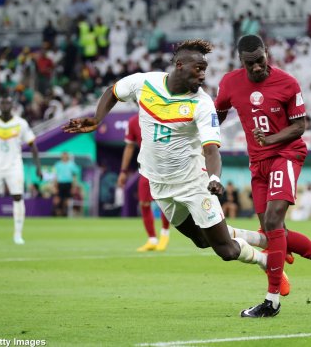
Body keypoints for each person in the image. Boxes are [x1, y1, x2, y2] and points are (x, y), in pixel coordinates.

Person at [62, 39, 274, 312]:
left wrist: (214, 178)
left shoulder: (202, 104)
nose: (202, 74)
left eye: (205, 69)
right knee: (200, 240)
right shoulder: (144, 83)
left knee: (227, 251)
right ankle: (264, 240)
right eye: (198, 68)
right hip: (160, 185)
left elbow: (211, 150)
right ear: (179, 65)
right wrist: (97, 118)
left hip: (194, 182)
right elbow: (113, 91)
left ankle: (269, 263)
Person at [215, 34, 311, 318]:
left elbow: (299, 126)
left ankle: (272, 302)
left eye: (261, 61)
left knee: (272, 220)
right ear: (241, 61)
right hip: (257, 163)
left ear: (267, 53)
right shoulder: (229, 84)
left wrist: (270, 140)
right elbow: (215, 116)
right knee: (273, 232)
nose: (257, 68)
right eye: (250, 63)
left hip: (286, 155)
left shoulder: (287, 83)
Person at [0, 96, 43, 245]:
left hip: (14, 165)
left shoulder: (21, 123)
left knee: (17, 197)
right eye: (3, 103)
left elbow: (33, 145)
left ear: (12, 105)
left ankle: (18, 235)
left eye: (8, 103)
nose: (5, 105)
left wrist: (38, 167)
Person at [118, 113, 171, 252]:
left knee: (163, 202)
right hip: (146, 168)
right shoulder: (133, 121)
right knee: (144, 203)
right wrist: (123, 171)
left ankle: (165, 234)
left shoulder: (162, 116)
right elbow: (129, 147)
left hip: (164, 167)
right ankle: (152, 239)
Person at [53, 152, 79, 216]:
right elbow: (55, 176)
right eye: (63, 156)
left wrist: (73, 186)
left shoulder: (72, 164)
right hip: (60, 183)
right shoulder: (58, 164)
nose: (64, 157)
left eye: (66, 156)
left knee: (67, 199)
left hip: (68, 183)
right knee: (58, 198)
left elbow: (74, 176)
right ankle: (57, 212)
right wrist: (55, 186)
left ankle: (65, 212)